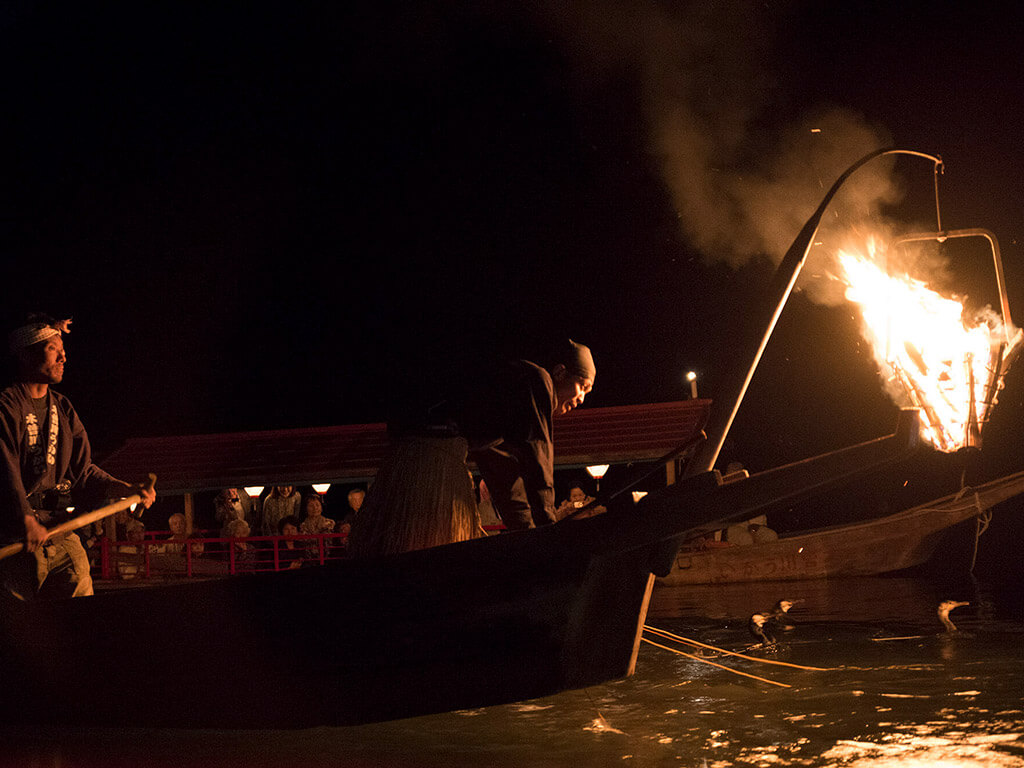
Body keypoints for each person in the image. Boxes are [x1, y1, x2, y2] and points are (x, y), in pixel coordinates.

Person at [348, 339, 595, 558]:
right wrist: (549, 535)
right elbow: (538, 456)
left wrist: (528, 534)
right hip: (432, 458)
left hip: (416, 458)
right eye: (582, 386)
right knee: (428, 550)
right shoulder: (537, 379)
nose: (582, 398)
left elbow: (504, 474)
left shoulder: (499, 407)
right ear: (561, 372)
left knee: (400, 545)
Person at [0, 314, 156, 599]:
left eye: (63, 350)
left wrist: (127, 489)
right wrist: (25, 519)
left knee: (81, 607)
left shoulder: (63, 409)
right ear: (25, 354)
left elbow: (83, 472)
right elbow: (4, 469)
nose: (63, 357)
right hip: (15, 538)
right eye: (52, 349)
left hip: (58, 532)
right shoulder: (7, 406)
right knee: (18, 625)